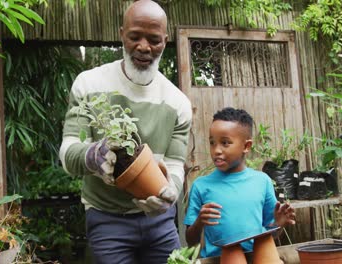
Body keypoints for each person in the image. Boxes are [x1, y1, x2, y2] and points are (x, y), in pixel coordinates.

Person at [59, 0, 192, 263]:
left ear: (165, 40)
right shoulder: (89, 84)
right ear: (122, 34)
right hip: (107, 218)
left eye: (154, 39)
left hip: (161, 223)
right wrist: (94, 155)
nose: (144, 46)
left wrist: (169, 194)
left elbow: (176, 166)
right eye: (135, 37)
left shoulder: (178, 103)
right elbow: (67, 153)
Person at [184, 107, 296, 259]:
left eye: (225, 143)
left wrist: (278, 223)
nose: (216, 150)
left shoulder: (261, 181)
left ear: (246, 146)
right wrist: (199, 223)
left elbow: (269, 235)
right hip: (219, 260)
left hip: (256, 258)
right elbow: (191, 241)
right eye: (212, 142)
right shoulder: (201, 186)